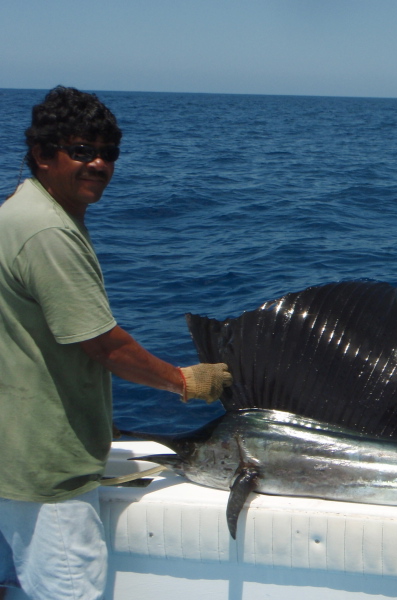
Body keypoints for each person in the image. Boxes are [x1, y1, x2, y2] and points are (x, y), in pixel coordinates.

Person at [0, 86, 232, 600]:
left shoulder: (26, 211)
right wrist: (184, 382)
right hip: (44, 468)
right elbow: (102, 346)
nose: (99, 164)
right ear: (42, 154)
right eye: (82, 151)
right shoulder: (46, 232)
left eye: (108, 154)